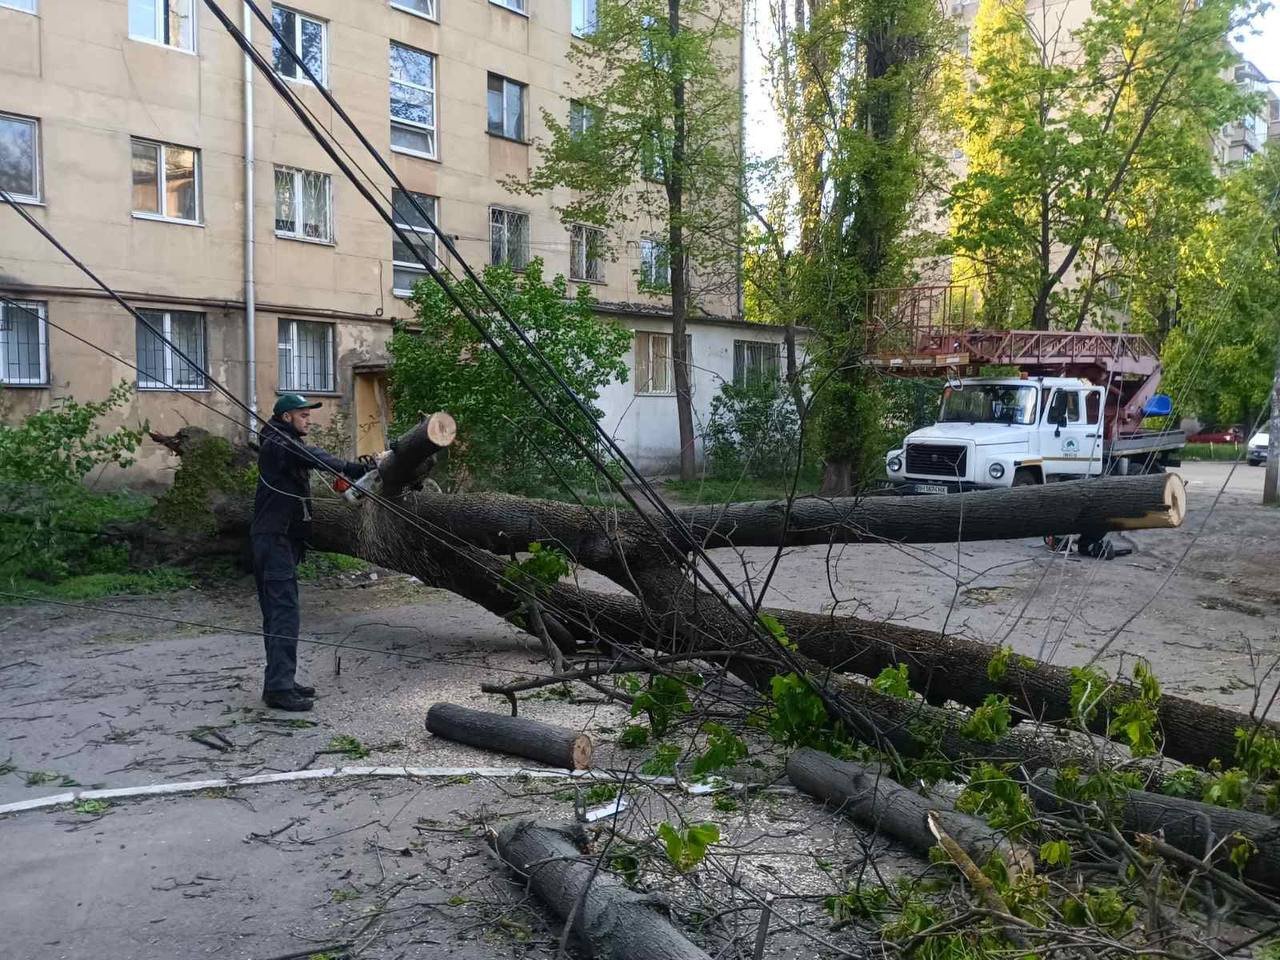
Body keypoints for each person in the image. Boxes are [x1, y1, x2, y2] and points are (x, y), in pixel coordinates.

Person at [251, 394, 371, 711]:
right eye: (303, 415)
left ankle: (280, 681)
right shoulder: (279, 443)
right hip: (274, 540)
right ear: (287, 417)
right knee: (283, 613)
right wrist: (350, 468)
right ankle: (279, 689)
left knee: (279, 614)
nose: (309, 419)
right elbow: (310, 455)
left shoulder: (283, 441)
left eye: (308, 415)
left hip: (281, 539)